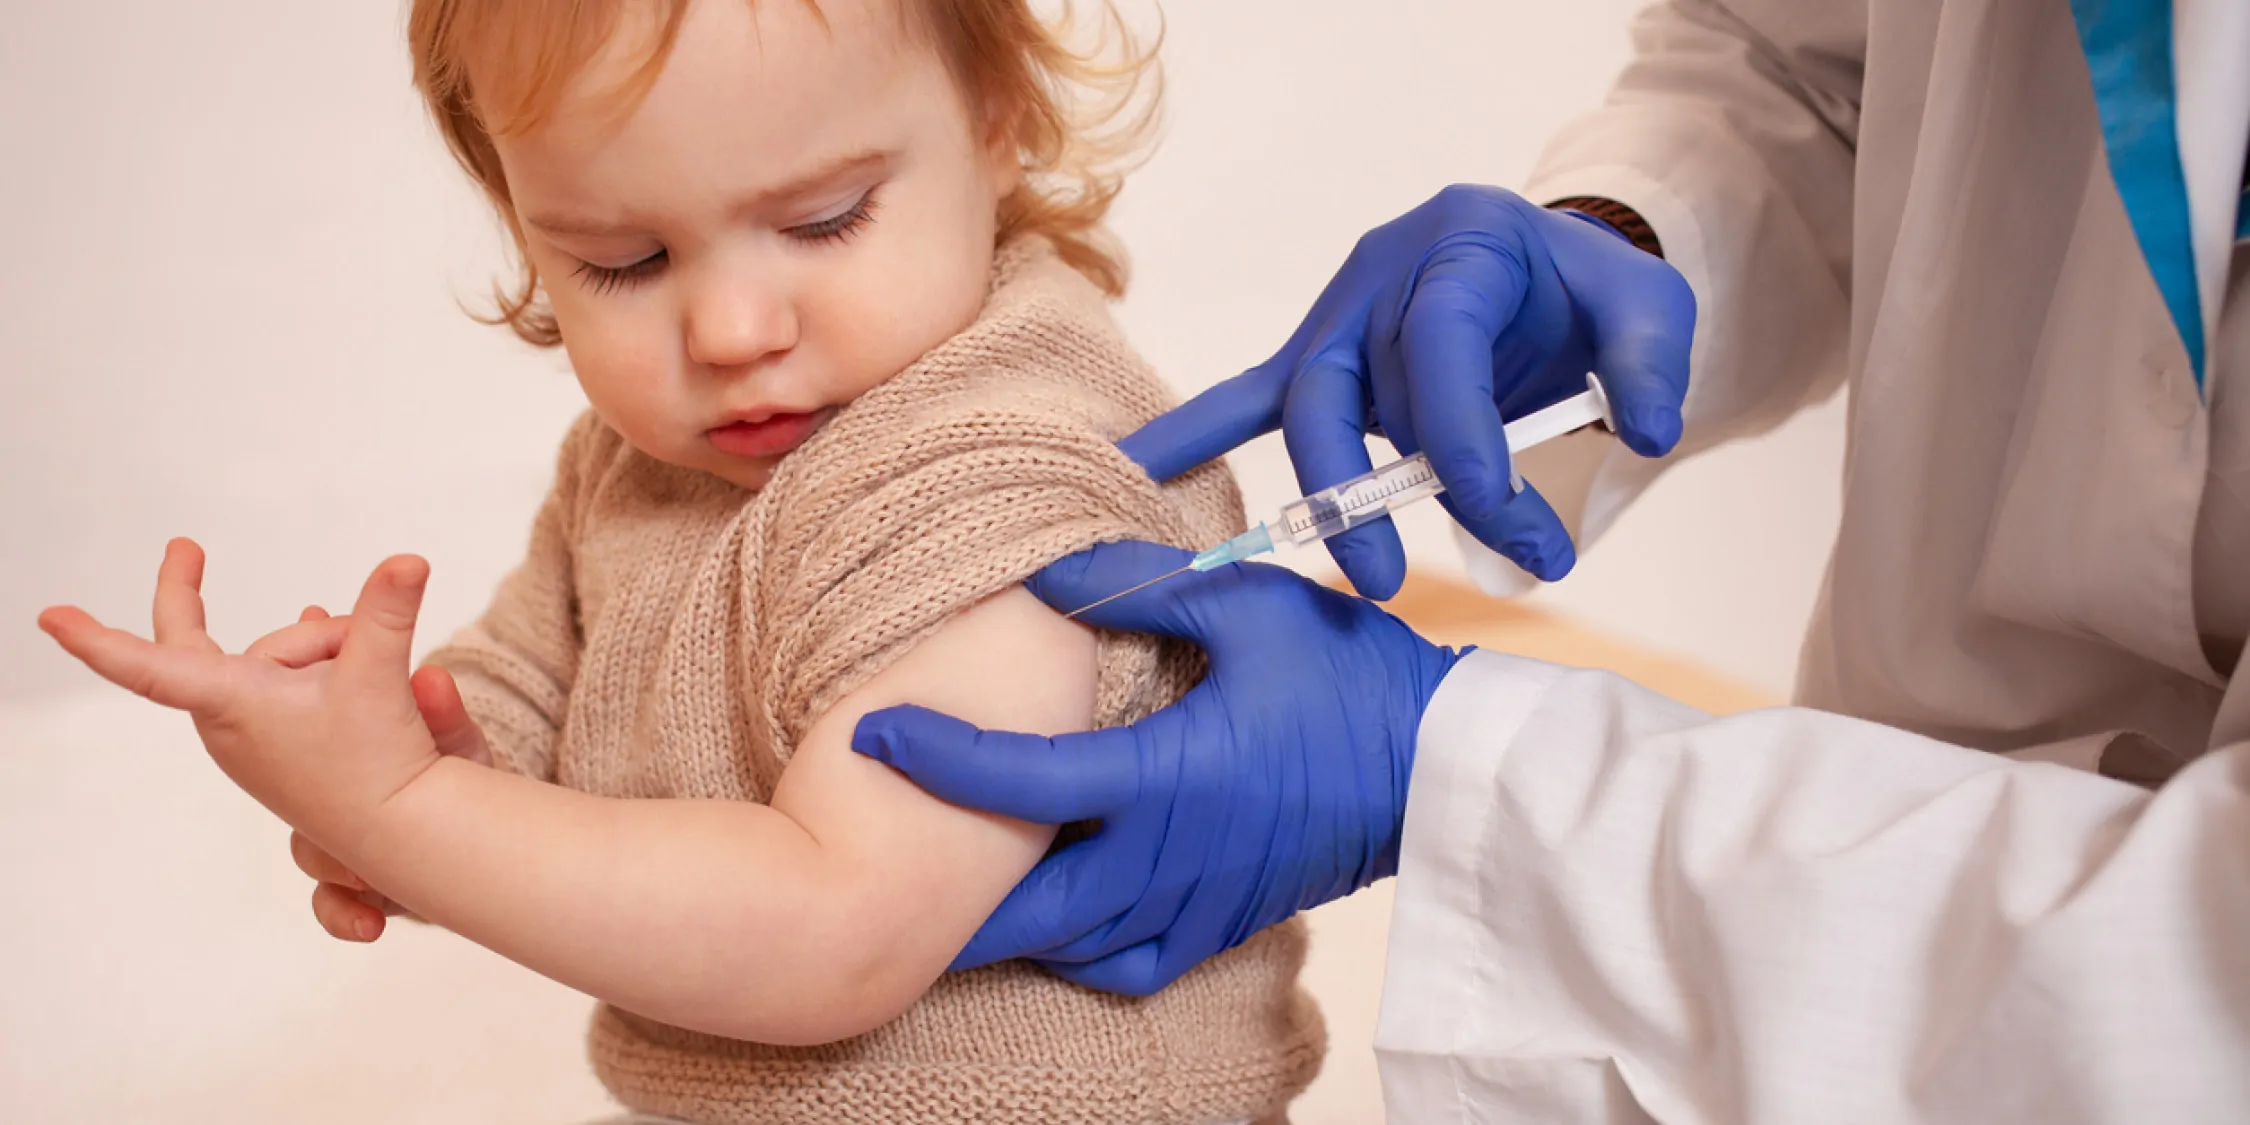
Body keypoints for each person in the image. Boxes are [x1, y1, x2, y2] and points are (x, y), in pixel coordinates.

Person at [849, 0, 2250, 1120]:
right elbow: (1825, 67)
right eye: (620, 259)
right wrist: (1623, 234)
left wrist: (1450, 768)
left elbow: (2195, 1006)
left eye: (820, 218)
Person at [36, 0, 1326, 1122]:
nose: (728, 330)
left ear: (996, 115)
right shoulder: (642, 466)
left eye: (823, 220)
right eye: (624, 261)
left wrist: (410, 818)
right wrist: (399, 750)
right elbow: (527, 698)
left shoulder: (1015, 470)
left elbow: (839, 931)